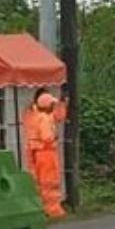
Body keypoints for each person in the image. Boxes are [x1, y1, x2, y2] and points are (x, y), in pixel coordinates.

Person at [22, 87, 67, 218]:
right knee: (50, 183)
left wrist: (62, 104)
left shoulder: (32, 115)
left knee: (39, 182)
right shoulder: (44, 118)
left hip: (36, 152)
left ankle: (42, 208)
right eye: (52, 104)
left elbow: (58, 116)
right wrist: (55, 137)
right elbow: (47, 136)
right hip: (46, 152)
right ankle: (53, 210)